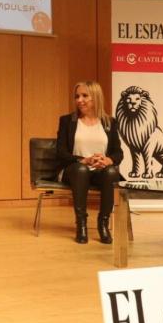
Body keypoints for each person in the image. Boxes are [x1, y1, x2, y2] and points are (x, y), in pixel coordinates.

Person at [55, 81, 123, 244]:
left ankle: (103, 223)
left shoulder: (109, 122)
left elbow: (118, 152)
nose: (80, 100)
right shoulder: (67, 121)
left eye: (85, 96)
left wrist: (108, 160)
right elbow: (61, 152)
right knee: (81, 170)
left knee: (112, 172)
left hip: (99, 172)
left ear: (96, 97)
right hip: (74, 171)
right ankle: (82, 224)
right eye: (77, 96)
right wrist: (82, 160)